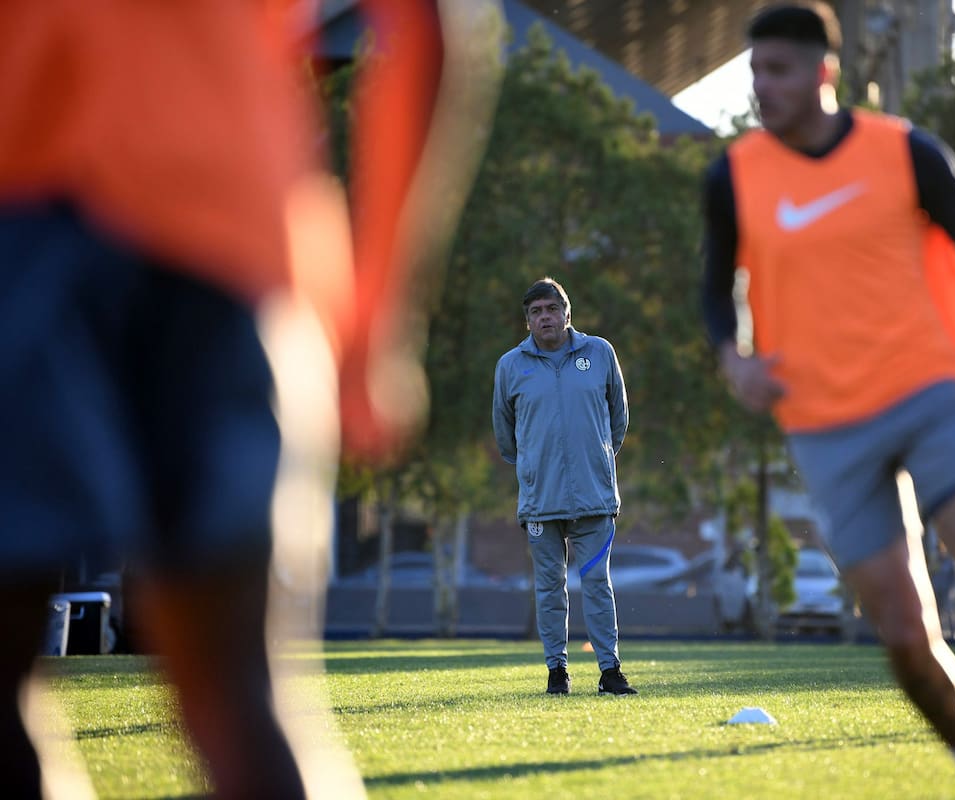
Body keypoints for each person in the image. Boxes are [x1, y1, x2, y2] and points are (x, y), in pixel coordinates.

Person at [0, 2, 496, 797]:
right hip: (229, 231)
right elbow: (426, 25)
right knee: (236, 690)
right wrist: (376, 318)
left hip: (31, 220)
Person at [700, 4, 955, 799]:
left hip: (929, 392)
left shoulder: (904, 151)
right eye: (755, 71)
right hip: (823, 424)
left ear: (823, 73)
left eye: (779, 70)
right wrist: (734, 358)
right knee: (900, 628)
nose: (763, 87)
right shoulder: (734, 174)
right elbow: (715, 289)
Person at [492, 278, 638, 696]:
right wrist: (535, 467)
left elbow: (619, 419)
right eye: (536, 312)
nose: (544, 318)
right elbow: (505, 435)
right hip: (541, 501)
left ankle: (610, 671)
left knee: (597, 585)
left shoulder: (600, 353)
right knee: (549, 588)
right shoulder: (510, 366)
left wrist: (597, 458)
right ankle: (557, 671)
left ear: (566, 313)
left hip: (594, 498)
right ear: (527, 322)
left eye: (551, 310)